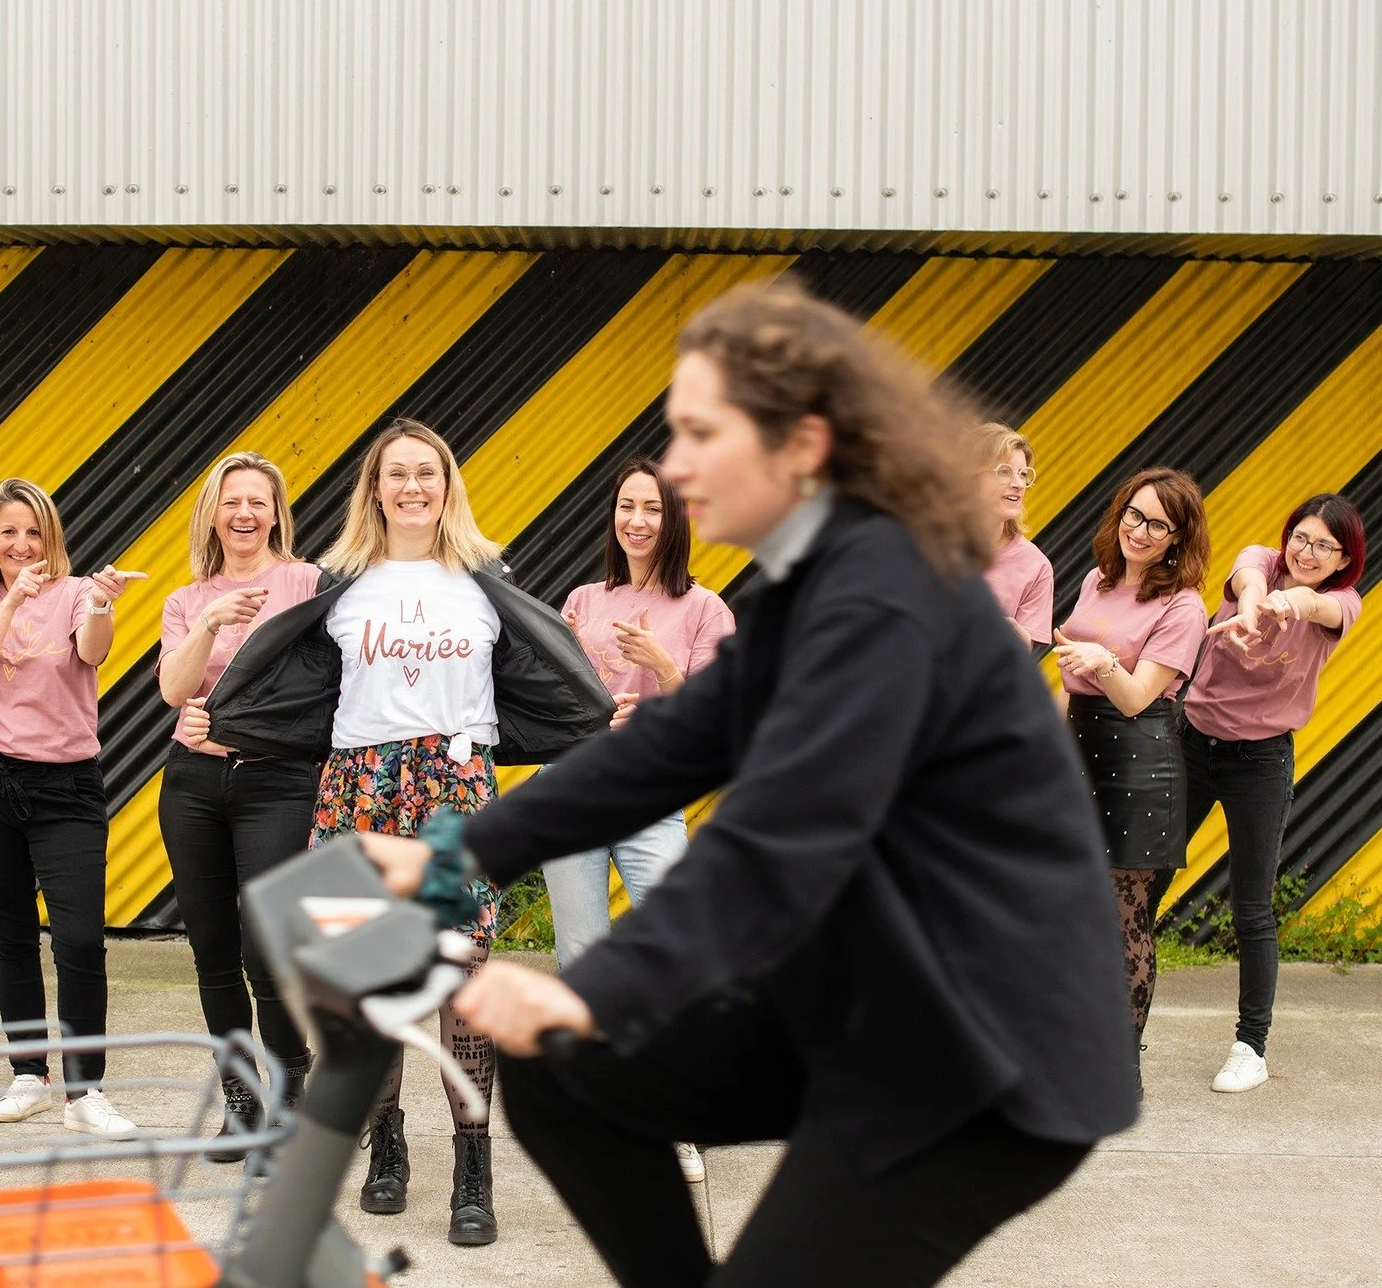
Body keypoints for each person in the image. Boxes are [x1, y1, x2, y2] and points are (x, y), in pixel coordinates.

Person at [363, 279, 1138, 1287]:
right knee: (566, 1079)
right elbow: (671, 742)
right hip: (879, 1000)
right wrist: (452, 857)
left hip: (982, 1049)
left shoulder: (885, 596)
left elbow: (775, 843)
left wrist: (592, 988)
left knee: (572, 1037)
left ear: (801, 444)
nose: (673, 464)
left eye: (697, 432)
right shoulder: (810, 579)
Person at [186, 418, 613, 1247]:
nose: (412, 488)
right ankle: (388, 1150)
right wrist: (231, 721)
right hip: (357, 787)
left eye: (426, 473)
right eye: (396, 475)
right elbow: (294, 687)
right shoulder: (341, 581)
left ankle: (473, 1165)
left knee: (460, 980)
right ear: (373, 490)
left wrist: (593, 717)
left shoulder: (485, 578)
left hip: (455, 790)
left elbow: (545, 679)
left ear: (447, 484)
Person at [548, 455, 733, 1184]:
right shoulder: (582, 601)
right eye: (627, 506)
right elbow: (555, 701)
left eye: (652, 508)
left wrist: (662, 669)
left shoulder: (705, 610)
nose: (637, 520)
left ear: (674, 519)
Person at [0, 478, 147, 1137]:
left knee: (81, 938)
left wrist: (104, 606)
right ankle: (29, 1074)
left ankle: (85, 1092)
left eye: (34, 532)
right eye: (9, 533)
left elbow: (92, 649)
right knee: (10, 937)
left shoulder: (77, 592)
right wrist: (10, 604)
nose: (22, 545)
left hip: (66, 786)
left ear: (51, 537)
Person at [156, 453, 321, 1153]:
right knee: (213, 951)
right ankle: (240, 1097)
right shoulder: (188, 599)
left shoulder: (308, 583)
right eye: (232, 502)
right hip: (193, 783)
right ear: (213, 515)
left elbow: (323, 686)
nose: (245, 514)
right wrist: (210, 623)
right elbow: (173, 690)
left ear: (276, 512)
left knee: (267, 947)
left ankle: (288, 1083)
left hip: (278, 782)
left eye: (258, 501)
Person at [1181, 494, 1365, 1094]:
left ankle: (1250, 1046)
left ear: (1343, 559)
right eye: (1302, 538)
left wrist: (1290, 602)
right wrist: (1258, 603)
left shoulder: (1341, 602)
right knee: (1139, 879)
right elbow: (1250, 574)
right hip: (1191, 743)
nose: (1308, 552)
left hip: (1260, 760)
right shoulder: (1261, 560)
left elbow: (1313, 603)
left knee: (1252, 906)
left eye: (1324, 546)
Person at [1051, 469, 1210, 1085]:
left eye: (1157, 525)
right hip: (1080, 747)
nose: (1139, 531)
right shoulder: (1098, 579)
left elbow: (1141, 696)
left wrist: (1104, 660)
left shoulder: (1184, 605)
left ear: (1177, 539)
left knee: (1124, 915)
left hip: (1139, 762)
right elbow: (1072, 675)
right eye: (1133, 515)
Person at [974, 422, 1054, 648]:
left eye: (1023, 474)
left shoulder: (1035, 567)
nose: (1018, 484)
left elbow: (1019, 661)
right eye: (1004, 472)